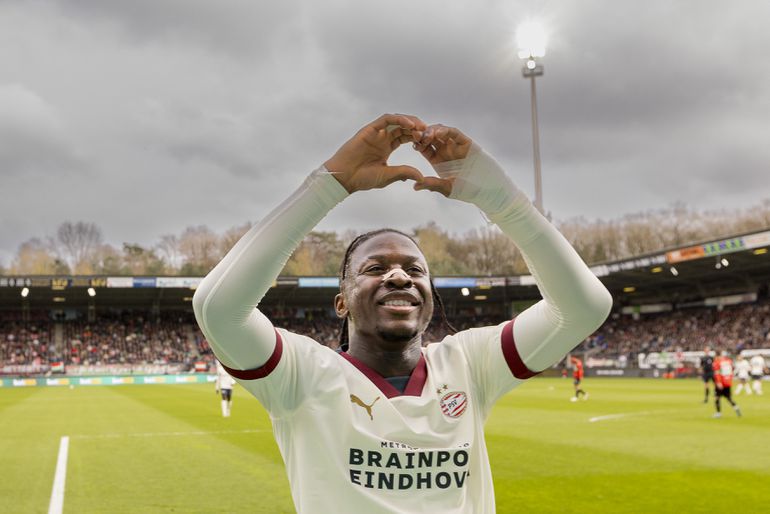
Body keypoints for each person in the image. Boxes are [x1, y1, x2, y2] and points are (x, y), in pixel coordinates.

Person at [193, 114, 613, 513]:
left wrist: (501, 199)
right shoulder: (302, 375)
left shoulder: (469, 363)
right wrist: (330, 184)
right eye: (375, 268)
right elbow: (219, 307)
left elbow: (583, 307)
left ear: (429, 297)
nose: (399, 276)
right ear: (341, 302)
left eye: (415, 270)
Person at [712, 350, 741, 418]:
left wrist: (719, 382)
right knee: (729, 398)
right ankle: (736, 408)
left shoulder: (717, 362)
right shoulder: (729, 361)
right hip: (728, 382)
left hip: (721, 382)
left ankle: (718, 413)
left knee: (717, 398)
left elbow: (717, 373)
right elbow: (731, 371)